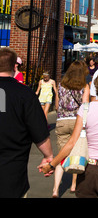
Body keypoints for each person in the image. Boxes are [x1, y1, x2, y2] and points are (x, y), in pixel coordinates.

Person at [40, 68, 98, 198]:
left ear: (96, 85)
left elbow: (72, 142)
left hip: (88, 168)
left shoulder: (85, 108)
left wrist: (52, 165)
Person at [0, 47, 53, 198]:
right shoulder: (25, 94)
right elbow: (39, 131)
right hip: (12, 176)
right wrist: (48, 155)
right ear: (14, 66)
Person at [52, 61, 90, 197]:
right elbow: (85, 106)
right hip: (77, 121)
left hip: (62, 121)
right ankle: (74, 184)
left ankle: (56, 189)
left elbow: (57, 105)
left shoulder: (61, 85)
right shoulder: (84, 87)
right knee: (76, 154)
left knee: (61, 155)